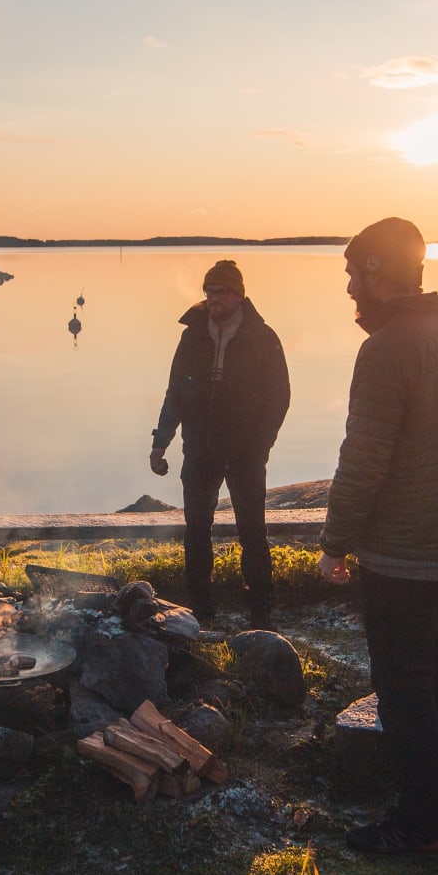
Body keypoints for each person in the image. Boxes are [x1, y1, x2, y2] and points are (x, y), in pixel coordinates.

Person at [317, 218, 438, 854]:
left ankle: (422, 824)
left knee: (402, 691)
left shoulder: (388, 348)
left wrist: (336, 542)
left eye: (352, 274)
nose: (349, 290)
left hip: (407, 551)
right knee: (434, 668)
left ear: (377, 272)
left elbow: (364, 456)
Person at [149, 260, 290, 627]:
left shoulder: (263, 337)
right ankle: (201, 611)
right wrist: (160, 441)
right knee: (196, 531)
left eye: (221, 293)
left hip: (246, 454)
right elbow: (175, 392)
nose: (214, 299)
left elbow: (279, 397)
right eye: (210, 292)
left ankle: (260, 613)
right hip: (200, 449)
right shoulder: (192, 335)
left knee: (253, 533)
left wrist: (262, 444)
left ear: (239, 296)